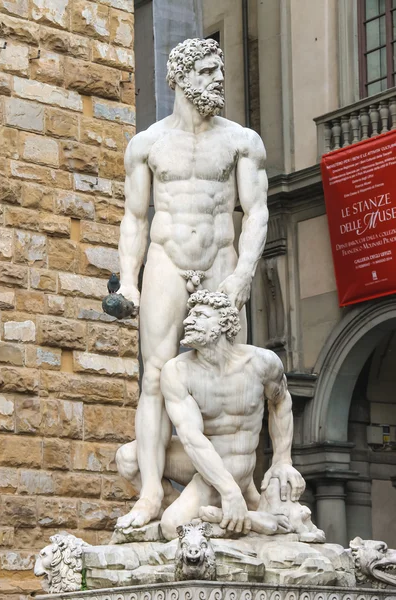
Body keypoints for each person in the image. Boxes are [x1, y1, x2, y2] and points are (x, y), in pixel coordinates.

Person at [116, 37, 269, 529]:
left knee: (230, 377)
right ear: (179, 77)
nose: (217, 79)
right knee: (157, 376)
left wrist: (244, 274)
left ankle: (236, 490)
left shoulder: (241, 140)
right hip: (167, 261)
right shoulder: (147, 144)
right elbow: (135, 219)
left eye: (219, 71)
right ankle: (149, 494)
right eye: (206, 71)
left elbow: (259, 212)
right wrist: (128, 283)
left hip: (222, 260)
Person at [157, 290, 305, 539]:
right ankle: (241, 518)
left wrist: (282, 460)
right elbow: (191, 437)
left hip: (236, 462)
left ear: (224, 324)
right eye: (188, 315)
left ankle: (210, 515)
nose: (188, 321)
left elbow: (281, 402)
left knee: (173, 527)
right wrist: (230, 493)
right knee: (128, 458)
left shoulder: (261, 363)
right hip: (201, 457)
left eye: (200, 315)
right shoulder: (177, 370)